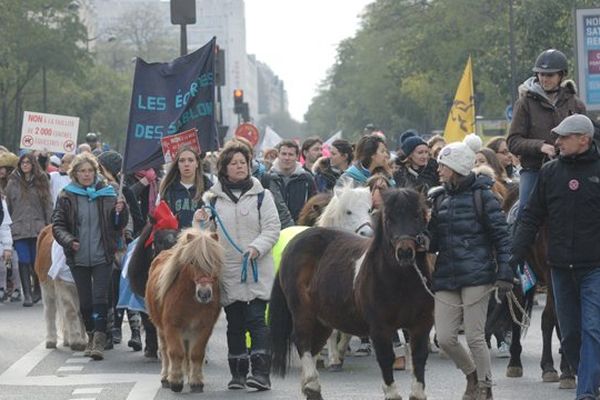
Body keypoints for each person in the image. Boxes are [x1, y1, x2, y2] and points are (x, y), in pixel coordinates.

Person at [510, 114, 600, 400]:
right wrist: (510, 257)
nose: (556, 142)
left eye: (563, 137)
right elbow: (531, 217)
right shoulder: (549, 173)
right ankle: (592, 376)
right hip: (559, 268)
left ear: (583, 139)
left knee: (592, 328)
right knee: (570, 335)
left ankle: (585, 392)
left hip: (594, 268)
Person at [428, 134, 513, 400]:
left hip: (477, 275)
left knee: (476, 337)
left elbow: (502, 236)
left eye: (442, 165)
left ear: (456, 168)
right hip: (446, 275)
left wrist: (506, 272)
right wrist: (422, 238)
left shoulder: (484, 197)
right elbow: (433, 241)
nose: (438, 169)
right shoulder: (438, 198)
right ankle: (472, 375)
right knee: (444, 338)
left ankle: (485, 388)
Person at [199, 142, 280, 391]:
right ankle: (237, 374)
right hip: (229, 270)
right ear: (224, 168)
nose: (239, 167)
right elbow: (205, 236)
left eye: (243, 163)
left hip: (257, 267)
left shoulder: (262, 196)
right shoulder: (212, 199)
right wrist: (200, 221)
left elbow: (272, 228)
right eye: (234, 163)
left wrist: (256, 247)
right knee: (235, 322)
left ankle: (261, 373)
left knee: (257, 319)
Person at [52, 153, 128, 361]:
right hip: (77, 257)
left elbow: (118, 224)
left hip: (102, 254)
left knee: (100, 298)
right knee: (85, 302)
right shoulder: (66, 195)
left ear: (96, 172)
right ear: (74, 173)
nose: (86, 175)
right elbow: (57, 225)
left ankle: (100, 341)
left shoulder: (108, 192)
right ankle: (92, 334)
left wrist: (122, 211)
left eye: (90, 171)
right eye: (82, 171)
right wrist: (69, 241)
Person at [507, 49, 586, 215]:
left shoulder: (576, 104)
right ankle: (516, 240)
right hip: (534, 170)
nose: (544, 79)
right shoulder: (524, 103)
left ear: (561, 75)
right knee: (524, 210)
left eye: (549, 75)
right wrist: (540, 146)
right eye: (541, 74)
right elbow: (512, 141)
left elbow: (586, 138)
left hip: (571, 169)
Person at [97, 150, 144, 350]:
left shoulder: (119, 190)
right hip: (112, 245)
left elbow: (134, 217)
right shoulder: (101, 188)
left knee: (119, 288)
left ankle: (129, 331)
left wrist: (127, 234)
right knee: (120, 288)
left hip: (119, 246)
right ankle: (118, 330)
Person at [5, 153, 53, 307]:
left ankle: (37, 289)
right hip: (18, 228)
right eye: (22, 163)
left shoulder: (41, 180)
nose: (25, 165)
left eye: (28, 162)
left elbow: (48, 203)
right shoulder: (12, 183)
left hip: (38, 227)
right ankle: (27, 294)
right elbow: (8, 206)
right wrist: (8, 226)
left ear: (33, 164)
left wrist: (49, 225)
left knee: (35, 261)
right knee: (24, 259)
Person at [158, 146, 211, 229]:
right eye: (182, 161)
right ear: (177, 165)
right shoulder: (167, 189)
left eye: (190, 160)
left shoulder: (208, 188)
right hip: (175, 239)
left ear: (197, 163)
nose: (186, 164)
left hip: (200, 238)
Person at [267, 140, 316, 224]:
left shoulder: (307, 179)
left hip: (299, 229)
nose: (287, 158)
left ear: (297, 157)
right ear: (278, 155)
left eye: (290, 154)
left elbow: (313, 206)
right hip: (273, 229)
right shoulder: (267, 178)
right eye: (283, 154)